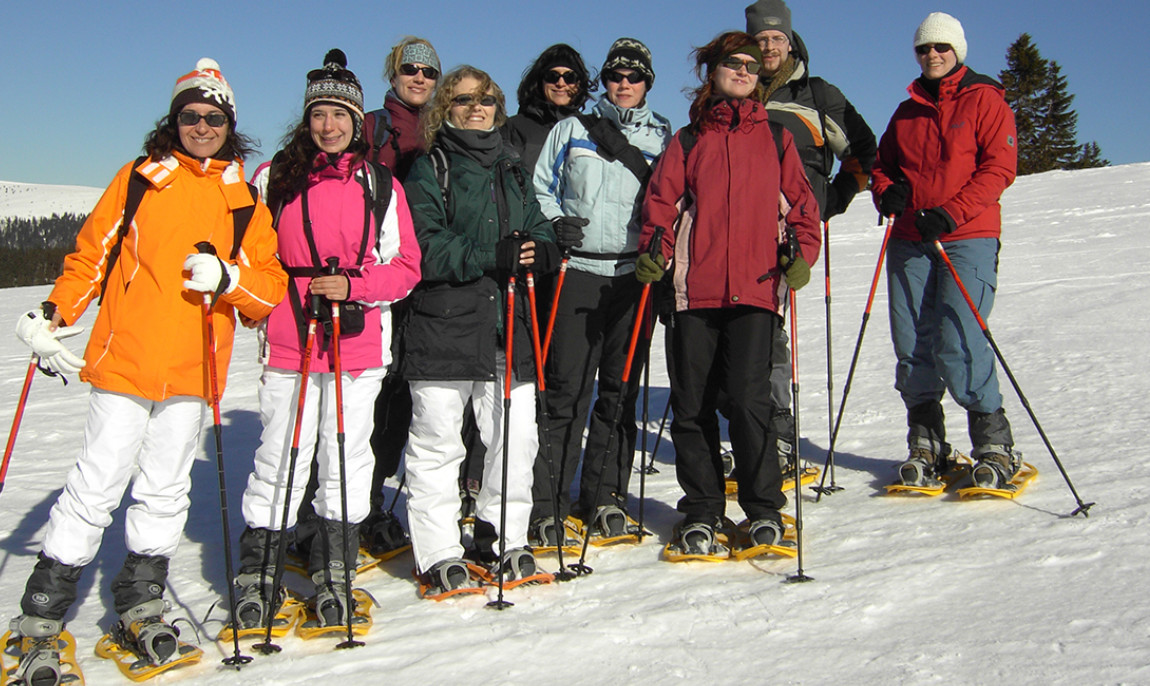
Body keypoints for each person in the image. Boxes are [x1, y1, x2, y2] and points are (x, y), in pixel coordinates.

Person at [7, 58, 286, 680]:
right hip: (125, 361)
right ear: (175, 119)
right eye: (191, 115)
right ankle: (42, 611)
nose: (202, 126)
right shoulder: (140, 178)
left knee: (165, 487)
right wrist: (52, 313)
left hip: (195, 371)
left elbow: (268, 292)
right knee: (98, 481)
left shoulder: (243, 198)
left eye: (215, 117)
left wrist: (231, 278)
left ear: (229, 123)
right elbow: (92, 256)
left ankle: (141, 599)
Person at [234, 50, 421, 631]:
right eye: (320, 113)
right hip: (290, 335)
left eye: (340, 113)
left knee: (346, 456)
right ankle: (258, 569)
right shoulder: (274, 179)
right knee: (280, 453)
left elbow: (407, 265)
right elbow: (249, 253)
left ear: (355, 119)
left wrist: (357, 284)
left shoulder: (380, 184)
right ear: (307, 117)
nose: (330, 125)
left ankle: (334, 566)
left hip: (356, 339)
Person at [638, 32, 820, 555]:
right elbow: (661, 204)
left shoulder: (778, 139)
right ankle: (702, 511)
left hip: (756, 292)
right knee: (692, 407)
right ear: (711, 72)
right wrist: (656, 248)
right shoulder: (690, 139)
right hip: (694, 293)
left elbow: (803, 210)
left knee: (748, 402)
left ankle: (763, 510)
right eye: (731, 63)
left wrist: (801, 257)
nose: (742, 71)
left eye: (749, 65)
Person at [401, 66, 559, 595]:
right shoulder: (431, 168)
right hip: (444, 325)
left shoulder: (513, 170)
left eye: (486, 99)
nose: (477, 107)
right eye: (464, 99)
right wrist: (491, 255)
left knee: (516, 439)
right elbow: (422, 246)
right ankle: (439, 550)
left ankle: (503, 538)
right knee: (439, 442)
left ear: (498, 107)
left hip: (506, 324)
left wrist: (545, 248)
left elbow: (535, 226)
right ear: (447, 106)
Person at [529, 37, 671, 545]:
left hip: (635, 277)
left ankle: (604, 496)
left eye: (634, 77)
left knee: (619, 390)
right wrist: (556, 221)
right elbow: (539, 187)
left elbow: (672, 199)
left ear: (647, 82)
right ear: (605, 80)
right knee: (565, 389)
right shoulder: (571, 129)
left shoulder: (663, 136)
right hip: (579, 270)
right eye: (616, 75)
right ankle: (545, 502)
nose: (624, 84)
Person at [870, 12, 1020, 490]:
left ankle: (993, 443)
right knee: (912, 342)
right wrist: (885, 191)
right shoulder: (906, 111)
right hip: (910, 239)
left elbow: (999, 168)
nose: (932, 55)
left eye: (941, 47)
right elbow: (882, 165)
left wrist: (952, 212)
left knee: (959, 339)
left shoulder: (986, 101)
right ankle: (926, 441)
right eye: (923, 49)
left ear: (957, 50)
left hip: (966, 235)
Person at [744, 0, 877, 463]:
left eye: (776, 39)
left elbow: (863, 148)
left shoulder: (818, 95)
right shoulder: (735, 88)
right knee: (741, 331)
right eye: (760, 39)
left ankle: (778, 431)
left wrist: (836, 197)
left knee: (772, 331)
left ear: (790, 41)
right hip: (737, 232)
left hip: (790, 234)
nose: (768, 47)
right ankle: (747, 428)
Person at [362, 35, 441, 558]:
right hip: (375, 279)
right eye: (409, 69)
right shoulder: (370, 126)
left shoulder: (441, 129)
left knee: (409, 397)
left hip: (426, 279)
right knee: (373, 397)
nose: (419, 78)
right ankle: (354, 508)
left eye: (429, 72)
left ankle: (375, 505)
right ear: (393, 74)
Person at [504, 43, 595, 172]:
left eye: (570, 77)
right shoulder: (513, 128)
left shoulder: (590, 132)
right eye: (552, 76)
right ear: (541, 81)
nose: (560, 83)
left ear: (579, 84)